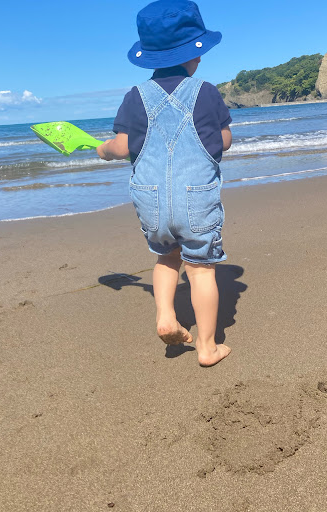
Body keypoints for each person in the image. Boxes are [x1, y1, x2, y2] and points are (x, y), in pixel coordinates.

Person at [97, 0, 232, 366]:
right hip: (196, 200)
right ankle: (207, 347)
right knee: (200, 269)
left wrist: (102, 150)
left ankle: (166, 316)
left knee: (166, 257)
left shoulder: (135, 96)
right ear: (196, 53)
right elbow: (223, 141)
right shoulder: (206, 92)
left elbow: (122, 147)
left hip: (151, 200)